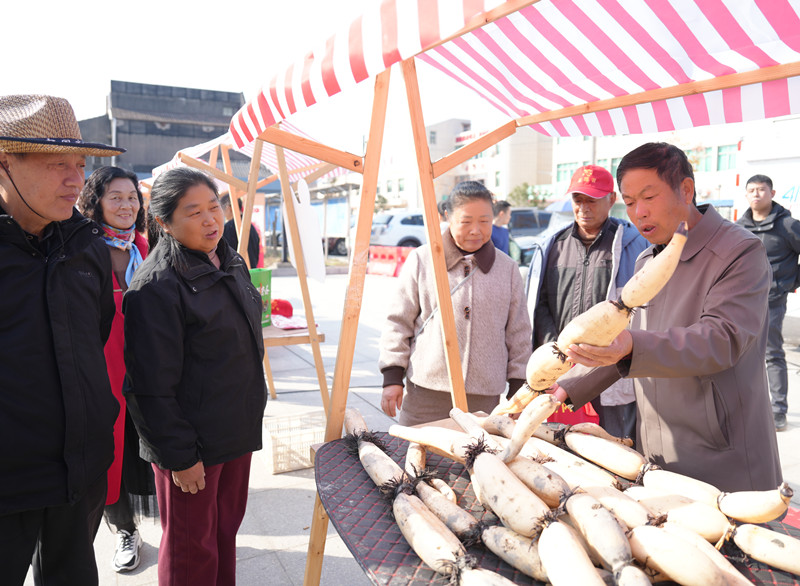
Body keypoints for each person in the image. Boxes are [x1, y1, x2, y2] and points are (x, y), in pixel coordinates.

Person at [552, 142, 782, 492]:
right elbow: (626, 345)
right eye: (629, 203)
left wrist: (630, 345)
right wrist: (566, 387)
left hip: (722, 455)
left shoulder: (739, 252)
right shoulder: (648, 261)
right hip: (656, 454)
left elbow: (722, 339)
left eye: (649, 197)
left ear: (686, 190)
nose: (638, 212)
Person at [122, 167, 268, 586]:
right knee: (191, 548)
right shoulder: (156, 287)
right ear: (165, 222)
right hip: (190, 445)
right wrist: (181, 458)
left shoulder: (229, 258)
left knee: (223, 533)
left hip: (234, 431)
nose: (210, 220)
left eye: (214, 207)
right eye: (194, 212)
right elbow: (150, 388)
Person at [0, 94, 123, 585]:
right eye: (57, 165)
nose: (77, 179)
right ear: (5, 162)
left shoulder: (86, 247)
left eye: (80, 164)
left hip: (83, 468)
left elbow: (96, 333)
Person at [379, 181, 531, 425]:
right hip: (426, 390)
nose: (476, 230)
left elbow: (519, 334)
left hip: (483, 396)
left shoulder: (508, 269)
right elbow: (398, 321)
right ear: (448, 216)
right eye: (466, 221)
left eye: (484, 221)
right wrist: (392, 377)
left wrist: (518, 389)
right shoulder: (422, 260)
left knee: (475, 460)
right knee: (417, 457)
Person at [528, 165, 648, 440]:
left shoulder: (633, 244)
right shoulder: (553, 245)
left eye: (591, 200)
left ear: (611, 199)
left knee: (615, 444)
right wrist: (556, 350)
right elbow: (540, 304)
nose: (583, 208)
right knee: (559, 446)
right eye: (577, 200)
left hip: (609, 370)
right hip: (560, 367)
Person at [76, 166, 156, 573]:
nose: (126, 205)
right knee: (113, 457)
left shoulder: (147, 245)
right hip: (102, 371)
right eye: (115, 197)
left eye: (132, 197)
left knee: (153, 446)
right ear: (97, 203)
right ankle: (125, 529)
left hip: (148, 368)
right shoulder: (81, 247)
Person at [737, 174, 800, 432]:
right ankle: (746, 408)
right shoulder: (740, 226)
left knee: (772, 353)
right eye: (751, 190)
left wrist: (791, 282)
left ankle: (778, 411)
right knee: (740, 354)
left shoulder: (788, 226)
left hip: (773, 300)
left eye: (761, 190)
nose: (756, 194)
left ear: (772, 193)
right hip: (742, 301)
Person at [221, 193, 260, 268]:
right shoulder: (251, 227)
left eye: (222, 210)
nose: (223, 215)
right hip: (251, 273)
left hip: (235, 275)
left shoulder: (228, 228)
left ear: (230, 208)